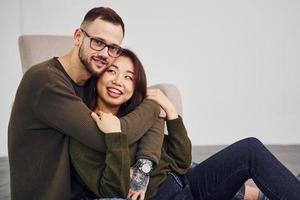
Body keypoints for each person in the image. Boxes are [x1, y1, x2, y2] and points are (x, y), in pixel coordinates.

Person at [70, 48, 300, 200]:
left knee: (250, 149)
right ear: (98, 76)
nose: (119, 81)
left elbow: (181, 161)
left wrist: (170, 111)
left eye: (129, 76)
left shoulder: (139, 115)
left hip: (187, 184)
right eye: (112, 71)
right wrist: (115, 138)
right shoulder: (83, 128)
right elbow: (112, 191)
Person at [8, 7, 162, 200]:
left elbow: (136, 122)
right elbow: (106, 138)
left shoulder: (92, 81)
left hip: (90, 190)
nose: (105, 54)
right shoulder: (45, 81)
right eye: (98, 42)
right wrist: (154, 104)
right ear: (78, 36)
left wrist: (143, 164)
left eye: (113, 48)